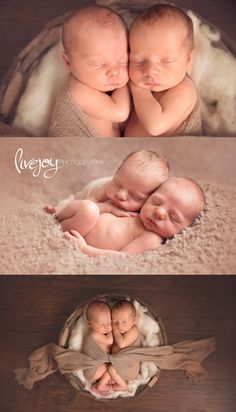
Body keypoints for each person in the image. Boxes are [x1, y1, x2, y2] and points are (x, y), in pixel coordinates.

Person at [63, 176, 206, 256]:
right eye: (156, 202)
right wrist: (108, 208)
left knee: (89, 210)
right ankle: (59, 210)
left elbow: (123, 257)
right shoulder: (136, 209)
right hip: (79, 221)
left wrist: (84, 249)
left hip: (77, 235)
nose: (160, 212)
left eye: (173, 217)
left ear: (185, 229)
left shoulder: (151, 239)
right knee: (88, 207)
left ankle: (60, 216)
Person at [48, 6, 130, 137]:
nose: (114, 72)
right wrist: (130, 82)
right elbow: (120, 113)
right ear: (68, 62)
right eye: (98, 64)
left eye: (123, 62)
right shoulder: (78, 92)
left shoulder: (96, 84)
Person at [124, 4, 202, 137]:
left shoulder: (185, 90)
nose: (150, 71)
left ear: (189, 60)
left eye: (166, 61)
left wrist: (138, 89)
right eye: (139, 61)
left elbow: (155, 126)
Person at [44, 150, 169, 220]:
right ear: (115, 174)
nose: (120, 194)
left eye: (136, 196)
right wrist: (109, 208)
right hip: (89, 195)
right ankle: (59, 209)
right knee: (74, 201)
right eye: (118, 183)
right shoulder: (106, 188)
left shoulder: (147, 209)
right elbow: (87, 204)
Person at [82, 300, 114, 395]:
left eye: (109, 323)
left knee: (111, 367)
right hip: (92, 369)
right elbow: (110, 341)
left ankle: (105, 379)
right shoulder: (93, 334)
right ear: (89, 324)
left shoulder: (101, 333)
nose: (107, 327)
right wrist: (113, 331)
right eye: (101, 324)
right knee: (112, 367)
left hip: (98, 367)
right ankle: (99, 385)